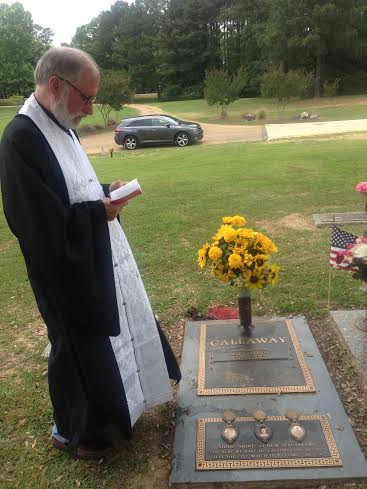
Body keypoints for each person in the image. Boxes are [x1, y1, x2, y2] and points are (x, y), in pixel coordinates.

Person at [0, 47, 181, 460]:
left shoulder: (63, 126)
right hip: (60, 265)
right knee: (74, 346)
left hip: (88, 253)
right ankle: (74, 432)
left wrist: (104, 191)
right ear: (56, 86)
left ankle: (110, 415)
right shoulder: (21, 138)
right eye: (87, 97)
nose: (90, 108)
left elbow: (70, 188)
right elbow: (36, 221)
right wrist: (96, 212)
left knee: (102, 341)